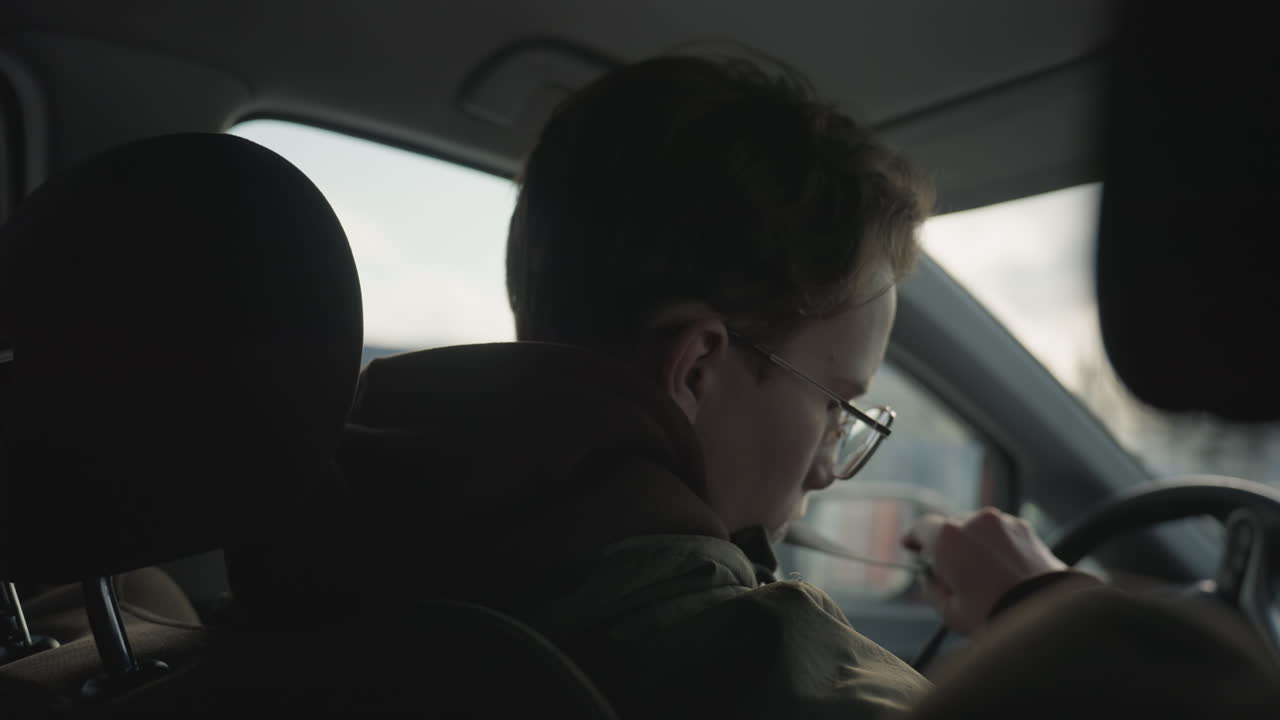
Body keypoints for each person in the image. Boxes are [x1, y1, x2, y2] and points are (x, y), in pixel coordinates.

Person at [345, 53, 1277, 718]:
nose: (831, 469)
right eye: (838, 404)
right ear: (698, 367)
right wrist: (1046, 617)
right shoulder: (779, 682)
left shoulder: (308, 575)